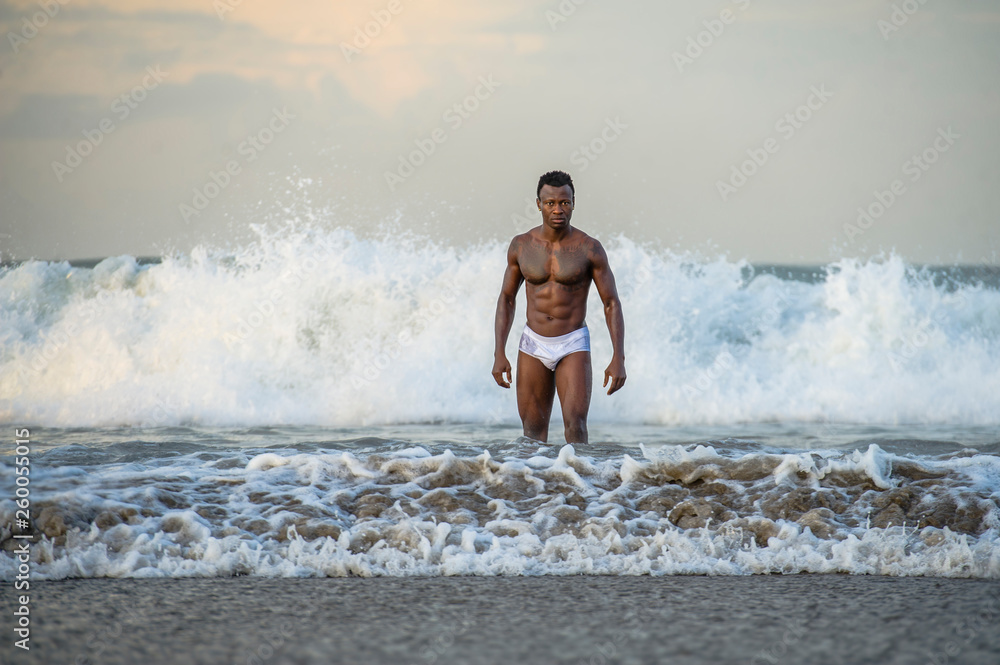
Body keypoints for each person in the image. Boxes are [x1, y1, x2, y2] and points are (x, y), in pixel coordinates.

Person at [491, 170, 626, 444]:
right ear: (538, 204)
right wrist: (499, 353)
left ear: (574, 203)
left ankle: (578, 486)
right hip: (533, 342)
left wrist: (618, 357)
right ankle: (539, 487)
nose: (557, 209)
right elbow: (506, 298)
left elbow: (611, 303)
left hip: (572, 342)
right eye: (550, 203)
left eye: (564, 202)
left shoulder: (590, 248)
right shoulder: (522, 245)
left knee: (575, 428)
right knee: (531, 434)